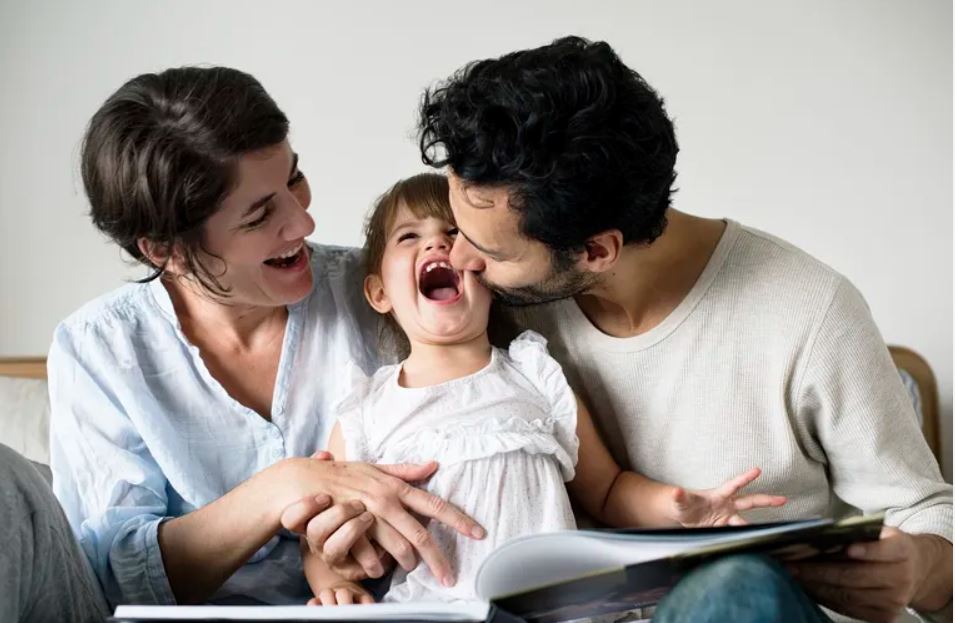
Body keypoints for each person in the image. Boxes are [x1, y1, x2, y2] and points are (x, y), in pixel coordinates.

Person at [411, 36, 953, 623]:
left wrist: (916, 566)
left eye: (489, 250)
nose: (460, 259)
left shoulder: (809, 312)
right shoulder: (482, 310)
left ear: (596, 250)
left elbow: (926, 517)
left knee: (732, 587)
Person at [26, 65, 487, 615]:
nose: (303, 223)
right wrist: (287, 485)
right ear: (166, 250)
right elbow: (114, 578)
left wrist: (361, 543)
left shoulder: (383, 293)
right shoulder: (98, 350)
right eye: (260, 214)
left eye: (294, 180)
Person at [300, 173, 786, 605]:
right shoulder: (366, 412)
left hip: (559, 608)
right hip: (438, 610)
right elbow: (323, 537)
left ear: (485, 270)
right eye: (411, 237)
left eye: (455, 234)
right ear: (379, 294)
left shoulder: (535, 375)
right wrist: (334, 586)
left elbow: (609, 490)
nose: (438, 247)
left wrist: (681, 509)